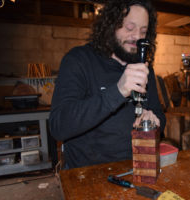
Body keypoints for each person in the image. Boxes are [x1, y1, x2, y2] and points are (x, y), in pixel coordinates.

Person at [49, 0, 166, 169]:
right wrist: (118, 91)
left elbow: (160, 115)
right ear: (110, 25)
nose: (137, 37)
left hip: (136, 169)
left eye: (143, 31)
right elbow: (59, 126)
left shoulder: (145, 68)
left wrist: (153, 122)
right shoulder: (78, 60)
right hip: (87, 174)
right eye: (129, 27)